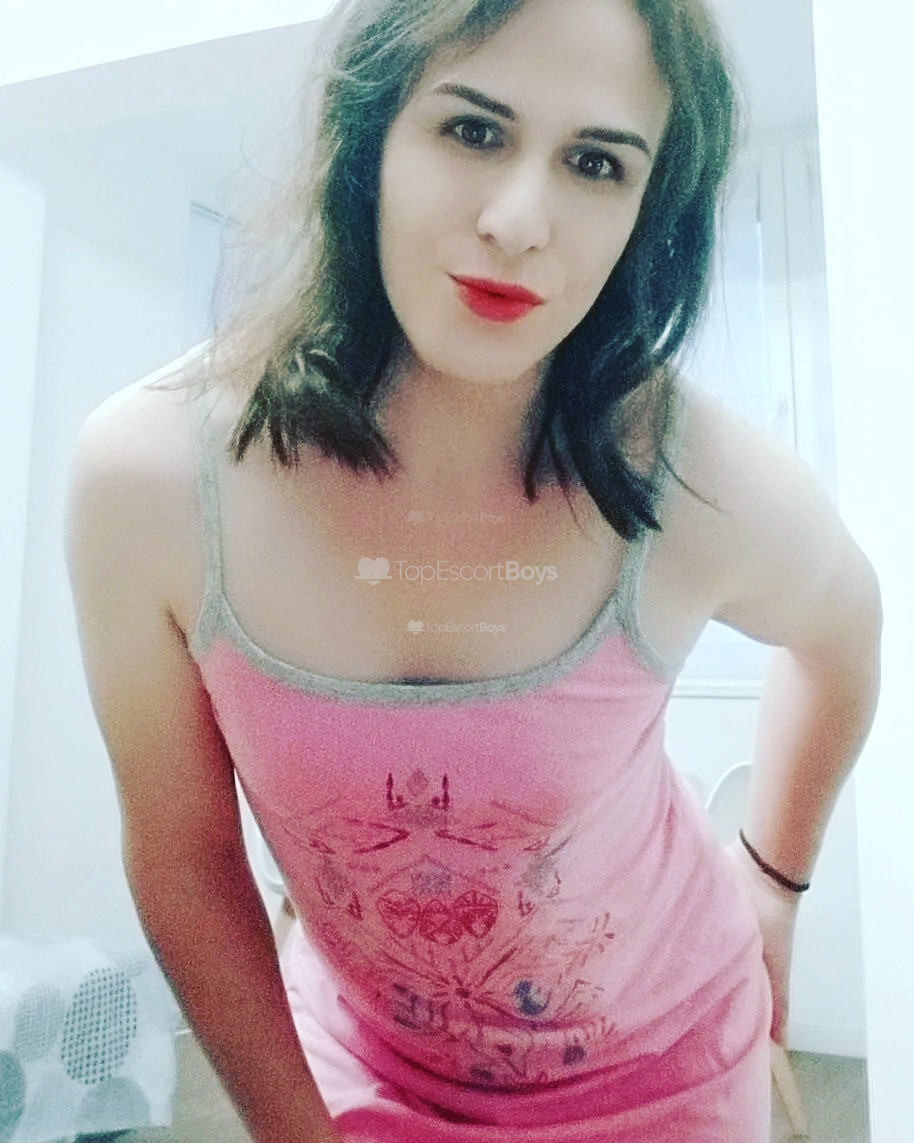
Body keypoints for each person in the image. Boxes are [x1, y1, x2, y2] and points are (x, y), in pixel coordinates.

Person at [63, 0, 882, 1139]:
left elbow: (844, 630)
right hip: (366, 1065)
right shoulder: (153, 480)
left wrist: (773, 882)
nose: (517, 222)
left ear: (647, 208)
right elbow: (184, 860)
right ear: (370, 136)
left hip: (671, 1064)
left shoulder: (694, 474)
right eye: (472, 130)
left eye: (595, 162)